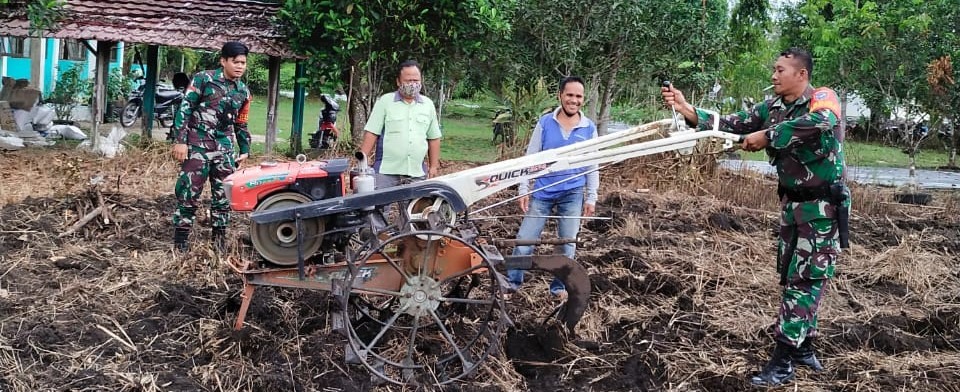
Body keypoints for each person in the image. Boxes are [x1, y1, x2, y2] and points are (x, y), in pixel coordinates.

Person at [662, 48, 849, 386]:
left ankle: (782, 362)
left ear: (801, 74)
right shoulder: (772, 108)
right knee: (796, 278)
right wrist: (687, 109)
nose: (773, 76)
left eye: (780, 70)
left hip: (821, 210)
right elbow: (732, 123)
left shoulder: (822, 99)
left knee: (804, 281)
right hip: (793, 208)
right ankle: (804, 345)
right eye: (774, 70)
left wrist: (768, 135)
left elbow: (823, 122)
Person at [506, 76, 599, 301]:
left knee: (567, 243)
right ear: (560, 96)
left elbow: (593, 164)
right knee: (525, 241)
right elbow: (530, 158)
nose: (573, 100)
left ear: (583, 100)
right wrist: (524, 189)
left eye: (578, 96)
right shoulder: (545, 123)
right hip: (543, 191)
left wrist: (591, 197)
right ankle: (511, 284)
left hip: (573, 193)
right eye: (569, 95)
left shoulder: (588, 128)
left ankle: (559, 287)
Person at [170, 41, 252, 252]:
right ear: (223, 61)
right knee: (188, 193)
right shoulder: (204, 79)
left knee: (224, 196)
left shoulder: (243, 91)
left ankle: (219, 243)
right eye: (236, 62)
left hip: (224, 148)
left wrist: (244, 149)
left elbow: (241, 122)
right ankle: (180, 243)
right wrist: (180, 141)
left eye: (243, 62)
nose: (240, 66)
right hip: (197, 145)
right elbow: (185, 109)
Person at [359, 60, 442, 189]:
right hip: (386, 171)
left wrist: (433, 167)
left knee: (416, 208)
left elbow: (434, 138)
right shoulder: (385, 102)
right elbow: (372, 132)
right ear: (398, 82)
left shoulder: (428, 105)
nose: (412, 84)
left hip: (416, 172)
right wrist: (361, 164)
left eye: (416, 80)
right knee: (378, 207)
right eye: (408, 81)